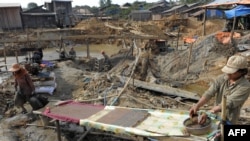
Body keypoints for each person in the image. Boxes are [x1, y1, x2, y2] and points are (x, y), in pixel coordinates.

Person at [189, 55, 250, 125]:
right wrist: (197, 105)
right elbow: (209, 93)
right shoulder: (222, 78)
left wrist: (208, 113)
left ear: (241, 72)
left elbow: (229, 102)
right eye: (228, 71)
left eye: (232, 72)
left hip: (229, 119)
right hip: (215, 115)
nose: (228, 74)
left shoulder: (245, 86)